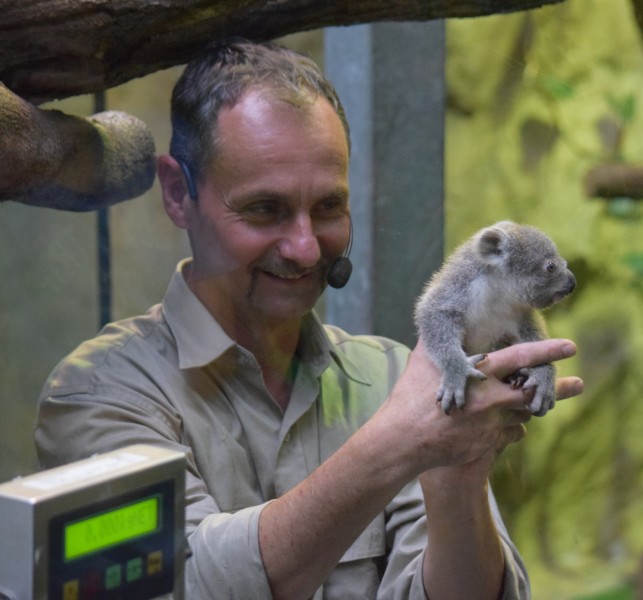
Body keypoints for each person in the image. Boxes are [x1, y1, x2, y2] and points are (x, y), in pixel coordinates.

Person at [34, 39, 584, 599]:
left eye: (327, 208)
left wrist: (458, 475)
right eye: (263, 209)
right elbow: (184, 583)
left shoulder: (396, 376)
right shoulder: (101, 393)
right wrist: (395, 446)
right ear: (178, 195)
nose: (303, 248)